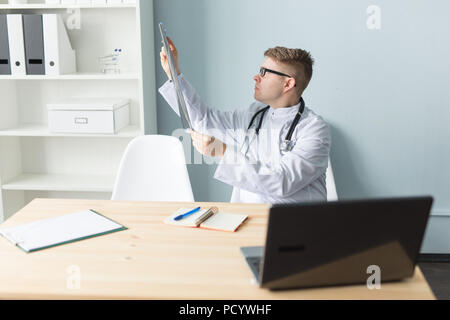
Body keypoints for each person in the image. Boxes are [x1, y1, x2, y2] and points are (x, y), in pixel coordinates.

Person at [159, 38, 331, 204]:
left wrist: (223, 152)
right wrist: (174, 74)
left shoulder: (314, 129)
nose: (256, 77)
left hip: (296, 225)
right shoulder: (253, 115)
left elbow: (282, 181)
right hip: (247, 219)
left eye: (264, 72)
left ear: (288, 84)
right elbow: (204, 121)